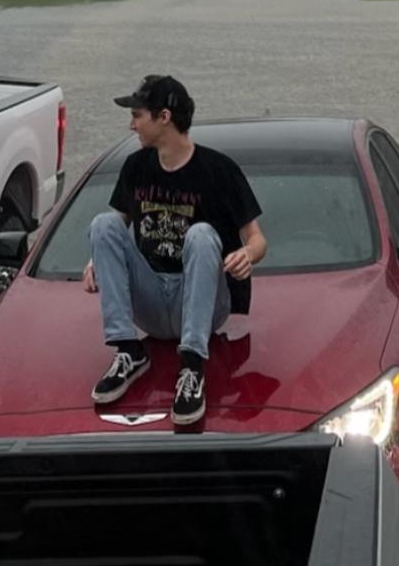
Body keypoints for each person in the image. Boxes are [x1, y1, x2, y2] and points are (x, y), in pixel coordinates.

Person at [85, 75, 266, 425]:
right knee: (101, 224)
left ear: (164, 117)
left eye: (138, 115)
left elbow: (257, 240)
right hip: (151, 300)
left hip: (200, 302)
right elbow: (115, 228)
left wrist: (248, 255)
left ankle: (192, 368)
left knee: (200, 234)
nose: (131, 124)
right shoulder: (136, 166)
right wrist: (97, 259)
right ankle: (129, 352)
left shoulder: (219, 170)